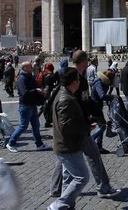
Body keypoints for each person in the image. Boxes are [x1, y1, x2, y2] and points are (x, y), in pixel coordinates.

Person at [50, 50, 121, 200]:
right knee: (93, 155)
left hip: (72, 126)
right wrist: (93, 119)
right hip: (79, 126)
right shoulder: (77, 79)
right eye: (87, 60)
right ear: (84, 62)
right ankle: (103, 187)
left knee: (64, 157)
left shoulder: (67, 74)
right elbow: (84, 102)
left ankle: (56, 189)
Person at [48, 67, 89, 210]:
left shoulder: (63, 94)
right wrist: (86, 127)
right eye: (78, 80)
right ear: (74, 83)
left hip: (65, 144)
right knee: (82, 177)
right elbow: (67, 127)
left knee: (69, 178)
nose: (80, 83)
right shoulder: (66, 99)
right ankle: (58, 206)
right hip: (68, 145)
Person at [6, 62, 50, 153]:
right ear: (25, 68)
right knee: (23, 126)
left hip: (32, 105)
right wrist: (36, 90)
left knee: (36, 125)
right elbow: (24, 93)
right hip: (25, 105)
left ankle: (39, 144)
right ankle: (11, 143)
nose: (32, 68)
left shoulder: (30, 77)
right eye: (30, 67)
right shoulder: (22, 79)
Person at [90, 71, 113, 154]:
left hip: (97, 106)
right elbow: (102, 95)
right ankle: (91, 141)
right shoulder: (99, 83)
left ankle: (98, 146)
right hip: (95, 107)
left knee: (101, 125)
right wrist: (111, 97)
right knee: (102, 126)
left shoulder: (99, 81)